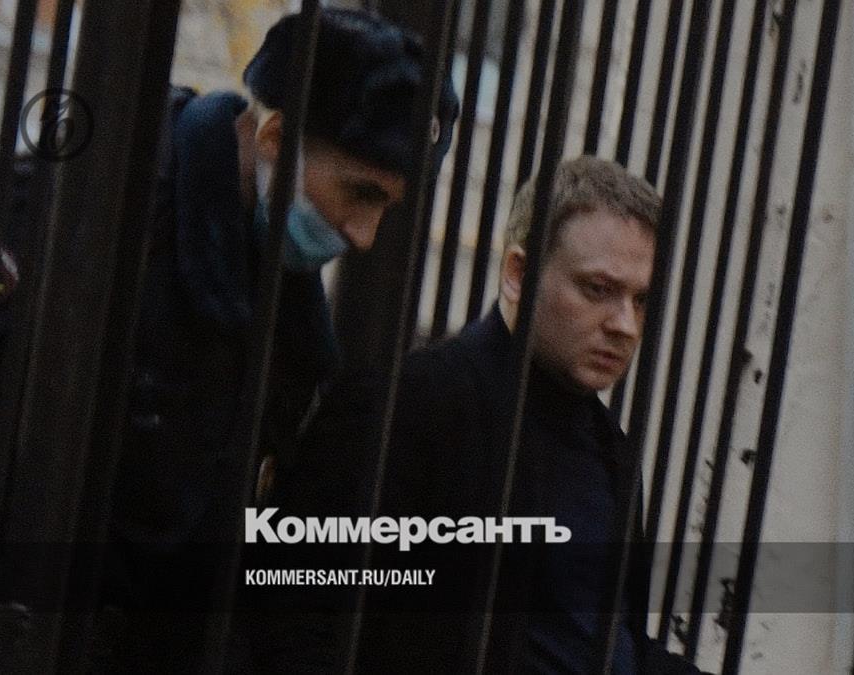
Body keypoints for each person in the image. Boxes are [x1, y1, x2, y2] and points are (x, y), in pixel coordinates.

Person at [93, 7, 459, 669]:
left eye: (385, 206)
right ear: (274, 138)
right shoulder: (107, 220)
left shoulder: (288, 317)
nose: (365, 235)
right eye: (360, 192)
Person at [276, 156, 700, 673]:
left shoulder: (611, 449)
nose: (625, 325)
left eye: (642, 300)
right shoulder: (407, 407)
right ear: (518, 274)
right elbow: (297, 618)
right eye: (598, 289)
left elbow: (603, 645)